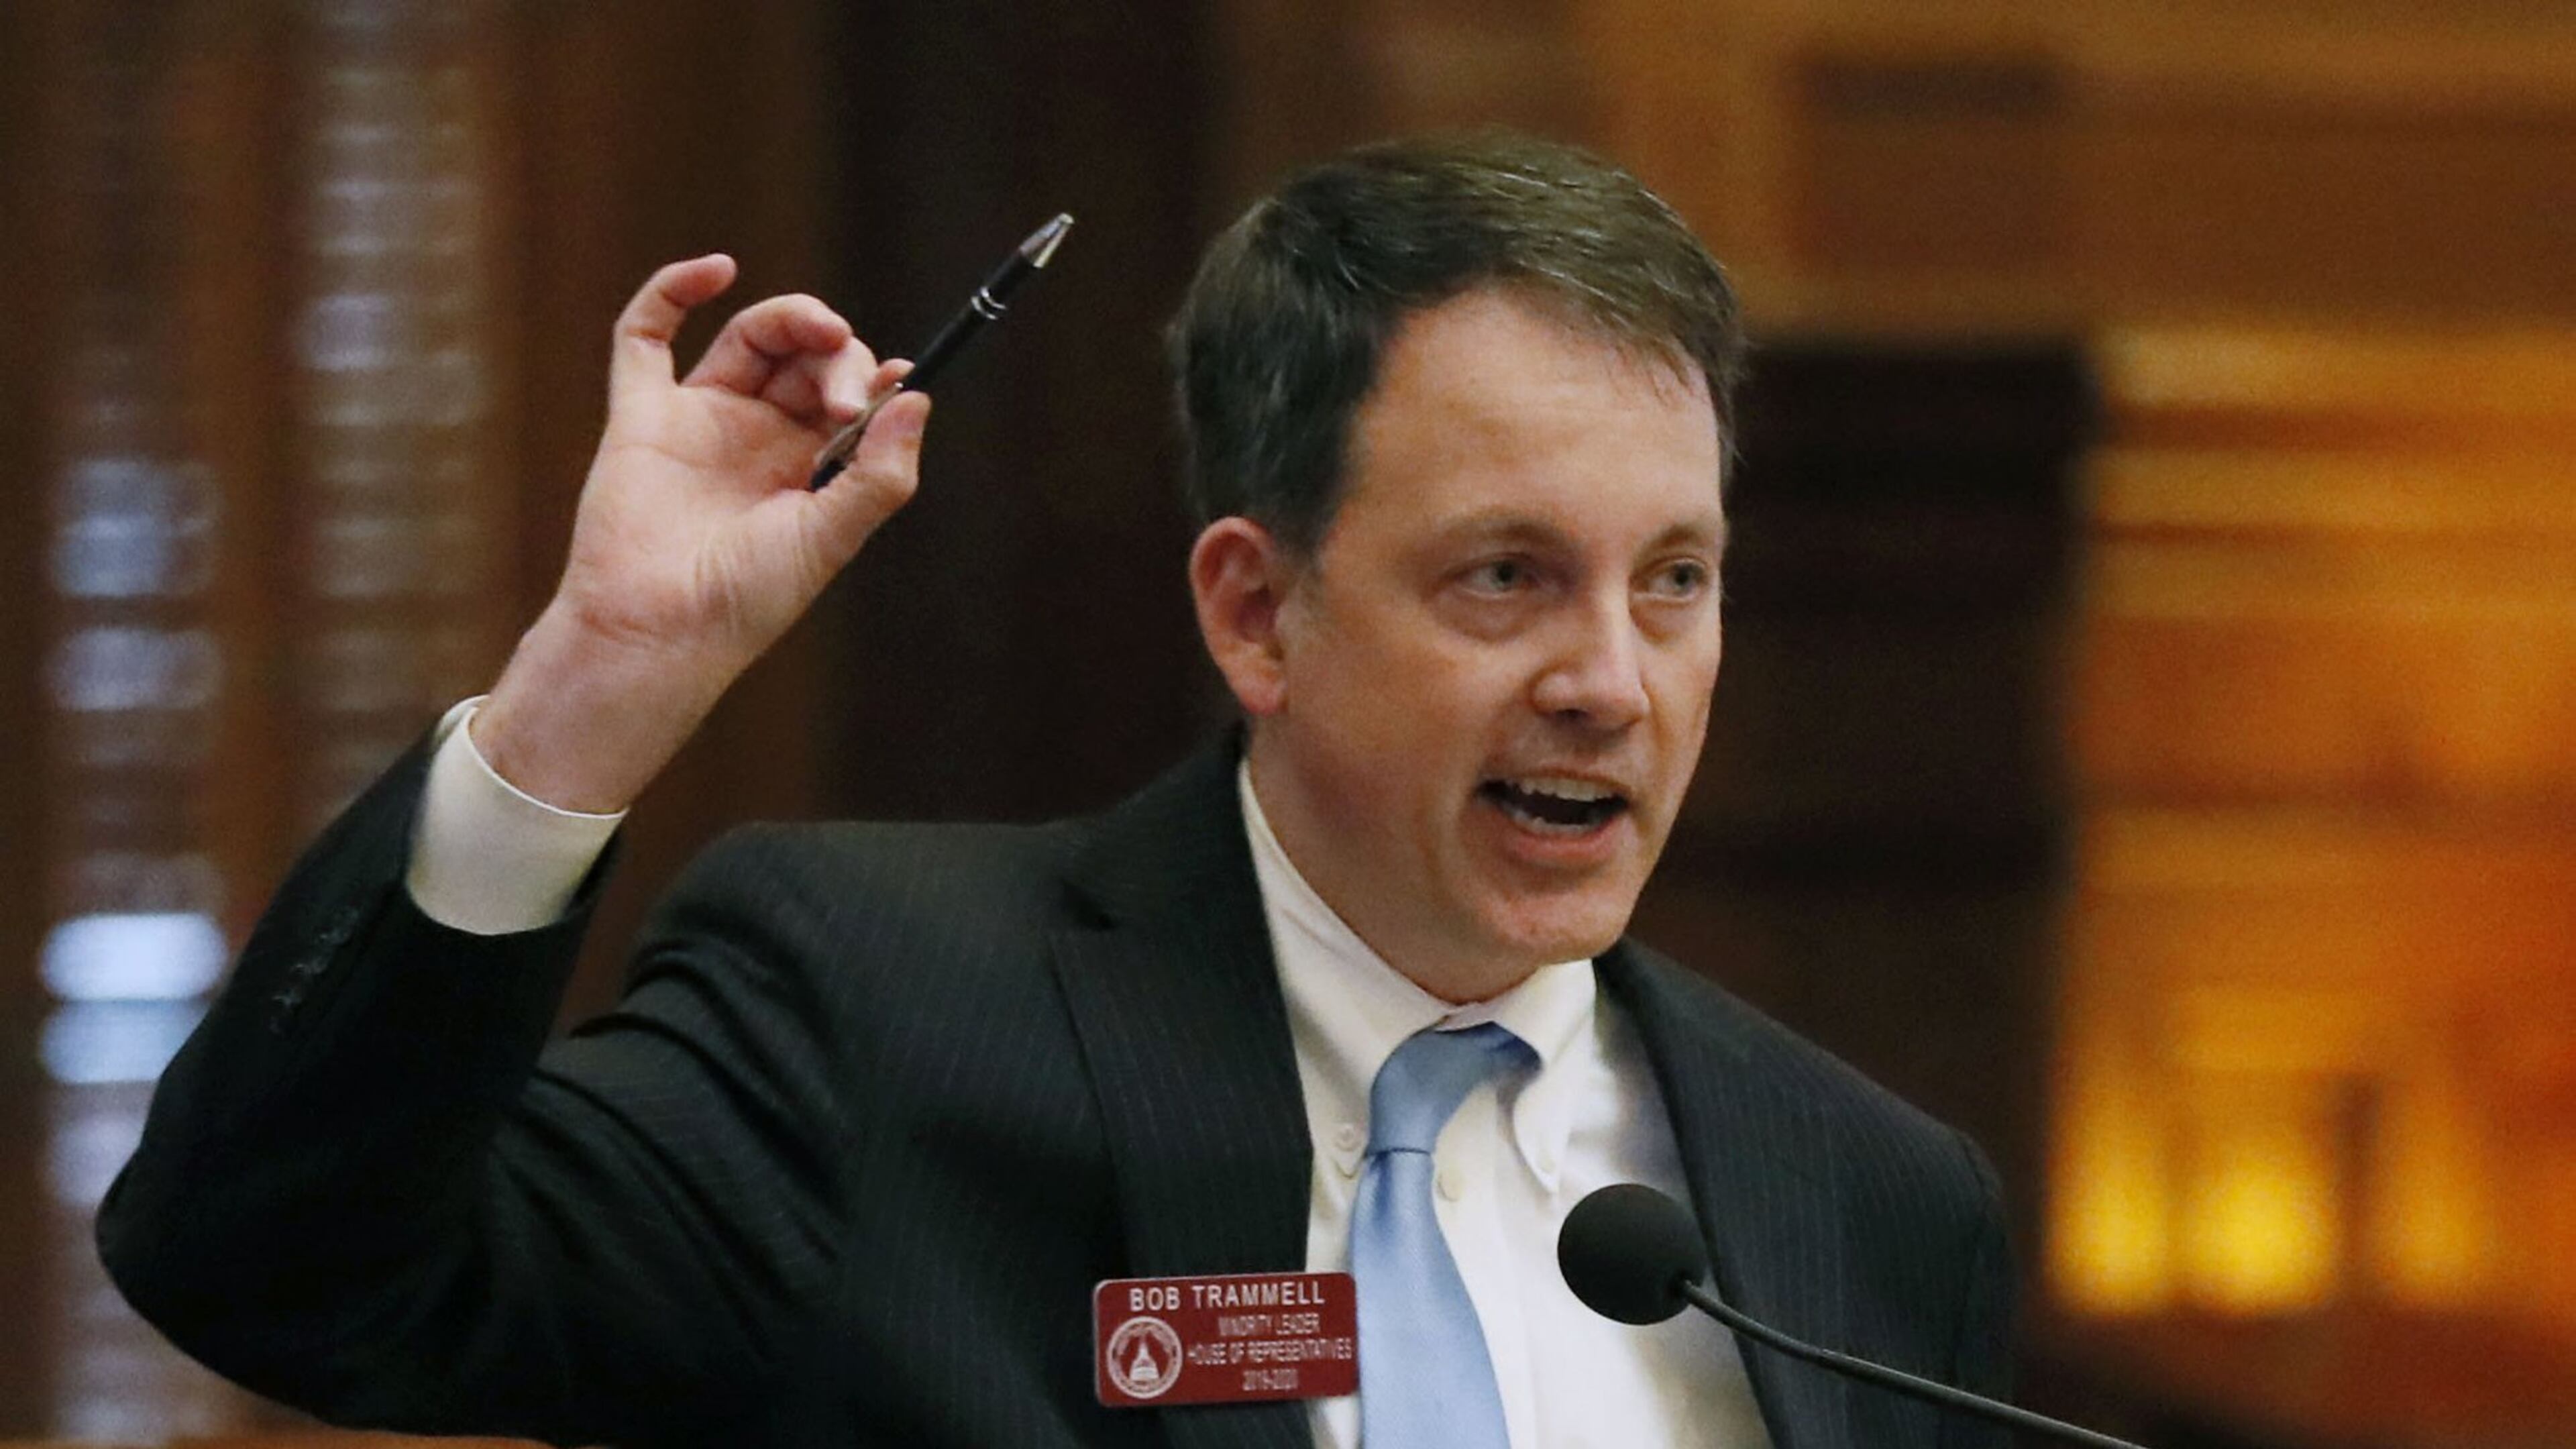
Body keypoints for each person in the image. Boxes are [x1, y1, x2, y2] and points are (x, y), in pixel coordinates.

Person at [99, 132, 2011, 1449]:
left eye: (1673, 580)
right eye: (1506, 576)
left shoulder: (1863, 1204)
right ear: (1256, 613)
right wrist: (593, 685)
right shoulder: (879, 1021)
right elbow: (274, 1275)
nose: (1610, 683)